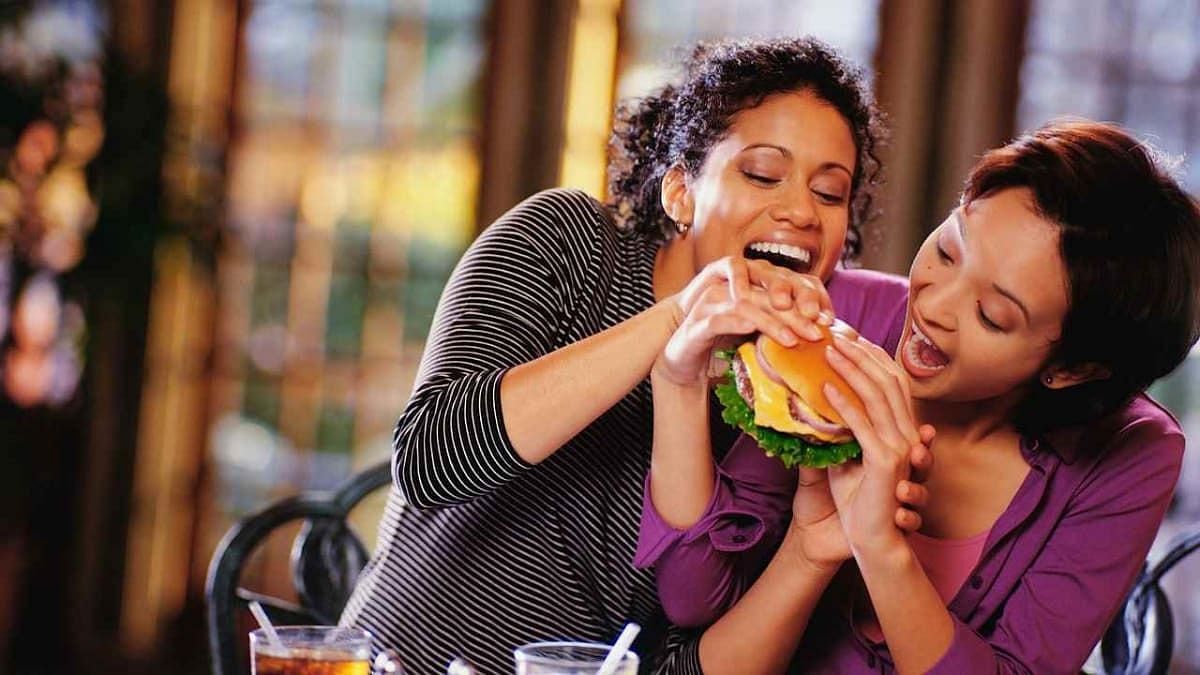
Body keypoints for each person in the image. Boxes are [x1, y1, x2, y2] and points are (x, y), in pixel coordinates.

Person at [339, 37, 935, 674]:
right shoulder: (569, 243)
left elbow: (679, 659)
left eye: (829, 192)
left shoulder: (792, 407)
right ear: (680, 193)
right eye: (762, 174)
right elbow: (431, 460)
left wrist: (814, 550)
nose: (799, 212)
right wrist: (680, 319)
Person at [637, 119, 1200, 674]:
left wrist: (882, 549)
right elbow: (695, 595)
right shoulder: (841, 317)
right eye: (950, 251)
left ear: (1073, 369)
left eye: (991, 315)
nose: (933, 306)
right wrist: (678, 381)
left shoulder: (1132, 452)